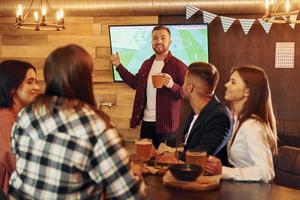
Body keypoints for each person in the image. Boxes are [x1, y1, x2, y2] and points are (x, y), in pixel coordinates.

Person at [8, 44, 148, 199]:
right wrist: (138, 176)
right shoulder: (96, 125)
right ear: (85, 78)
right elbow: (130, 195)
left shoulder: (25, 114)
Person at [111, 26, 188, 148]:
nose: (159, 41)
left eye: (163, 38)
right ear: (151, 42)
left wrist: (171, 85)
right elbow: (135, 83)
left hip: (166, 126)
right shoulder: (147, 64)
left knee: (164, 162)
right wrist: (119, 66)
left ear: (170, 42)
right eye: (155, 38)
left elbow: (186, 93)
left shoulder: (179, 66)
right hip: (146, 123)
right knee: (145, 160)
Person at [205, 65, 278, 182]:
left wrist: (223, 171)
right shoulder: (237, 120)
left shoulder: (252, 126)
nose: (226, 84)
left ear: (247, 91)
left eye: (233, 82)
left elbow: (266, 172)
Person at [180, 62, 232, 163]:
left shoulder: (220, 116)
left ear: (190, 87)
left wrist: (171, 157)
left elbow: (198, 157)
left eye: (184, 82)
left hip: (207, 178)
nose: (182, 86)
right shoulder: (192, 116)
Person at [0, 60, 39, 193]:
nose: (37, 87)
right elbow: (17, 164)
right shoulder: (5, 120)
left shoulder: (20, 117)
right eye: (30, 82)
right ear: (12, 88)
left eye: (36, 82)